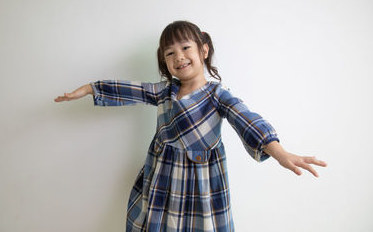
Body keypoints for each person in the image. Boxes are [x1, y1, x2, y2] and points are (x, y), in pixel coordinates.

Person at [54, 20, 327, 231]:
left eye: (185, 48)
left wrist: (279, 152)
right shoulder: (165, 91)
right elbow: (132, 89)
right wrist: (91, 88)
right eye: (170, 52)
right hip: (161, 177)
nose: (179, 56)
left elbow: (247, 119)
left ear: (203, 50)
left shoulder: (218, 95)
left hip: (202, 183)